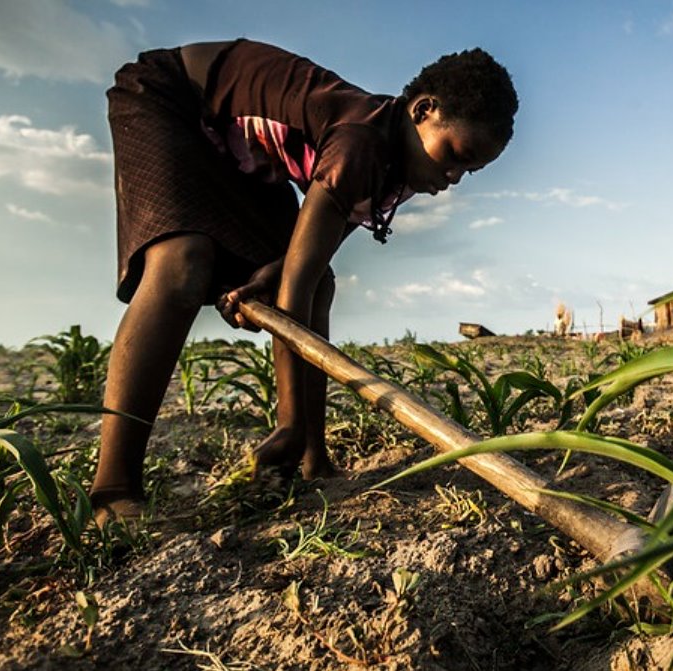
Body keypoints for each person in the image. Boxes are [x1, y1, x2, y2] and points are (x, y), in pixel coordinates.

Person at [90, 39, 518, 527]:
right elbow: (297, 279)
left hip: (239, 157)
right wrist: (287, 422)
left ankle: (314, 459)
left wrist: (275, 269)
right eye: (457, 155)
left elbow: (306, 266)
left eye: (471, 170)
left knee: (322, 285)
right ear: (423, 110)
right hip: (172, 97)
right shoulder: (361, 141)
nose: (455, 177)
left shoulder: (396, 167)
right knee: (184, 263)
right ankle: (113, 489)